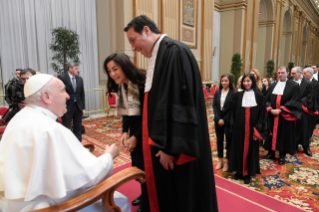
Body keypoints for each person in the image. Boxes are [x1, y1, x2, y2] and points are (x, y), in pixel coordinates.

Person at [124, 15, 218, 212]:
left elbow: (180, 103)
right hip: (163, 144)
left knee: (182, 197)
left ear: (147, 31)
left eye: (133, 40)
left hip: (173, 148)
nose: (132, 47)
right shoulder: (159, 54)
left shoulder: (174, 52)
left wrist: (170, 148)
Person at [0, 74, 130, 212]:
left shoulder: (20, 117)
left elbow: (39, 162)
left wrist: (72, 156)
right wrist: (108, 157)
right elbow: (89, 179)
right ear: (46, 96)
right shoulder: (50, 128)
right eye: (62, 90)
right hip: (41, 207)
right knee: (121, 200)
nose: (67, 96)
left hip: (12, 203)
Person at [104, 53, 146, 212]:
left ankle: (148, 199)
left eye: (115, 69)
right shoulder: (123, 85)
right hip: (136, 130)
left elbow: (148, 116)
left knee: (147, 168)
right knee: (139, 166)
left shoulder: (142, 83)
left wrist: (136, 136)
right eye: (109, 71)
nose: (112, 74)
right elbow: (127, 114)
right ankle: (144, 193)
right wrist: (124, 133)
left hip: (147, 131)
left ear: (125, 66)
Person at [226, 73, 268, 184]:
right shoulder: (238, 95)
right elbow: (232, 113)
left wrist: (257, 131)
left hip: (252, 129)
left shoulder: (259, 96)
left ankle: (248, 173)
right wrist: (232, 127)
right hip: (239, 129)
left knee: (250, 151)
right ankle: (239, 172)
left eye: (248, 81)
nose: (246, 83)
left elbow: (262, 115)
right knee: (238, 149)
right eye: (244, 81)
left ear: (253, 82)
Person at [262, 66, 300, 165]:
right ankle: (271, 152)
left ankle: (282, 155)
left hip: (285, 115)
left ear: (287, 73)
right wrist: (270, 109)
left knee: (284, 135)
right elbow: (266, 100)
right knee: (271, 133)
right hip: (272, 115)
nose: (280, 75)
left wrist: (281, 110)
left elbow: (294, 101)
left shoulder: (294, 86)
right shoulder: (272, 86)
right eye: (279, 73)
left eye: (282, 73)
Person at [213, 74, 236, 172]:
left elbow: (232, 109)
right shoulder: (217, 92)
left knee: (229, 142)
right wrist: (218, 119)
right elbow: (214, 106)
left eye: (226, 81)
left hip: (228, 120)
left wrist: (224, 119)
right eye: (222, 81)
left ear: (229, 81)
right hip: (218, 120)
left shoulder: (233, 93)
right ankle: (220, 160)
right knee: (219, 140)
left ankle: (227, 162)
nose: (224, 83)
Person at [58, 62, 85, 142]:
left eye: (78, 68)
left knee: (78, 126)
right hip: (67, 107)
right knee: (66, 126)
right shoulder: (62, 77)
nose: (78, 70)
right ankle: (66, 143)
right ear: (70, 69)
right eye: (76, 69)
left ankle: (78, 143)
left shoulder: (80, 79)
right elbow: (59, 93)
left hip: (78, 106)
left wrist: (83, 108)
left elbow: (82, 94)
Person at [301, 67, 319, 156]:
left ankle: (306, 147)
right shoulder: (302, 82)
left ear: (310, 74)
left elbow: (314, 97)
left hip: (312, 110)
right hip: (302, 109)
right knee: (301, 128)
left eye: (304, 73)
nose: (302, 75)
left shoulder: (316, 84)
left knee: (309, 129)